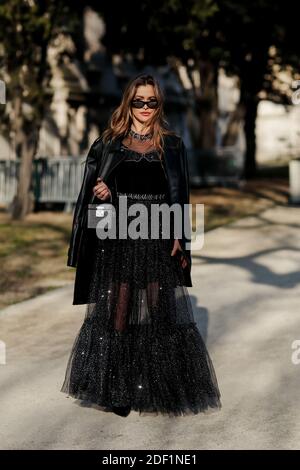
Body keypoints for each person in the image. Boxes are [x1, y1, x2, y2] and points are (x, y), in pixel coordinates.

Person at [60, 73, 221, 417]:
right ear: (128, 104)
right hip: (119, 234)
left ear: (158, 104)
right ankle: (118, 389)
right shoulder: (108, 143)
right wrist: (103, 193)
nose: (145, 107)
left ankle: (161, 386)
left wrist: (179, 236)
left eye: (152, 101)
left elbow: (178, 195)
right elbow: (94, 191)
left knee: (158, 309)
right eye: (139, 101)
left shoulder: (173, 144)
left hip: (158, 233)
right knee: (118, 310)